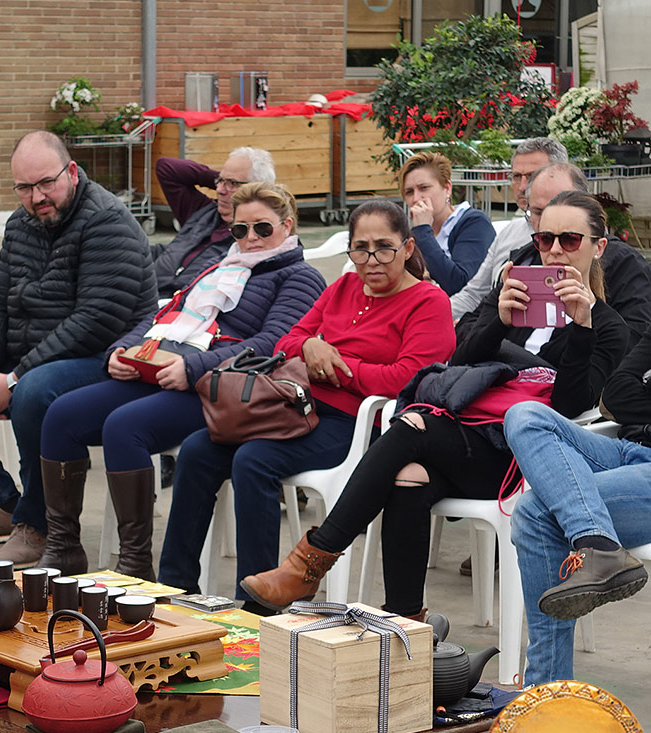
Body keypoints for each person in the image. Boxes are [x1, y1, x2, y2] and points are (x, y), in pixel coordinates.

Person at [242, 191, 630, 617]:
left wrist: (581, 327)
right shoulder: (513, 294)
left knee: (413, 425)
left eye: (570, 240)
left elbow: (570, 407)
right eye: (543, 239)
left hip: (523, 459)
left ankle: (313, 560)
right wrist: (498, 322)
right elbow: (457, 362)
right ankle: (405, 620)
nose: (554, 251)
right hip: (465, 438)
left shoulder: (608, 326)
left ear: (599, 247)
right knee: (408, 476)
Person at [156, 200, 455, 601]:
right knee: (196, 450)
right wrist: (312, 345)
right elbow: (288, 339)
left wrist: (340, 366)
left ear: (407, 248)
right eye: (360, 248)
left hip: (357, 425)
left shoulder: (427, 302)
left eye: (384, 247)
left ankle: (257, 604)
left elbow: (409, 381)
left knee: (253, 460)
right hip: (297, 407)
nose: (372, 260)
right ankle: (174, 588)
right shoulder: (344, 287)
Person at [37, 183, 324, 580]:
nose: (251, 239)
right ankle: (64, 546)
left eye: (263, 228)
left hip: (221, 388)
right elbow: (166, 312)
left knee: (125, 426)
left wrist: (194, 370)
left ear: (287, 225)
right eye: (241, 231)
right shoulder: (222, 266)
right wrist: (121, 350)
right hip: (161, 365)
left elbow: (273, 345)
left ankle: (135, 562)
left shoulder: (299, 276)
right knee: (62, 414)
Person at [0, 130, 157, 566]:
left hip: (105, 358)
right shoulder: (20, 224)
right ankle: (0, 503)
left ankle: (40, 526)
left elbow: (97, 320)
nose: (37, 196)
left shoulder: (107, 222)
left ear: (72, 172)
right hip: (33, 355)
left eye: (46, 183)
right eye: (24, 187)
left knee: (35, 391)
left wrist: (14, 379)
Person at [505, 335, 651, 686]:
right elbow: (614, 395)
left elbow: (627, 396)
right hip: (627, 449)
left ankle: (545, 687)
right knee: (524, 416)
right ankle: (598, 543)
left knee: (534, 513)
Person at [455, 162, 651, 347]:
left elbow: (634, 345)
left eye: (570, 239)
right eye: (537, 212)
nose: (549, 220)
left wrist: (589, 319)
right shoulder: (526, 257)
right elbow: (469, 322)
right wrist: (498, 325)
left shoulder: (625, 263)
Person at [451, 137, 569, 320]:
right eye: (516, 177)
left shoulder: (582, 239)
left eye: (532, 176)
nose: (522, 187)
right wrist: (428, 314)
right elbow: (473, 295)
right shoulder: (509, 232)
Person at [152, 148, 277, 296]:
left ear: (256, 190)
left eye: (233, 183)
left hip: (182, 307)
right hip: (147, 292)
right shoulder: (202, 211)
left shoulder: (254, 237)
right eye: (220, 181)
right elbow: (166, 167)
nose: (219, 190)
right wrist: (223, 180)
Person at [399, 151, 495, 296]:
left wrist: (423, 231)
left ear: (447, 188)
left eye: (424, 188)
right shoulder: (411, 233)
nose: (416, 198)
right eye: (409, 192)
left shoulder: (474, 222)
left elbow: (459, 284)